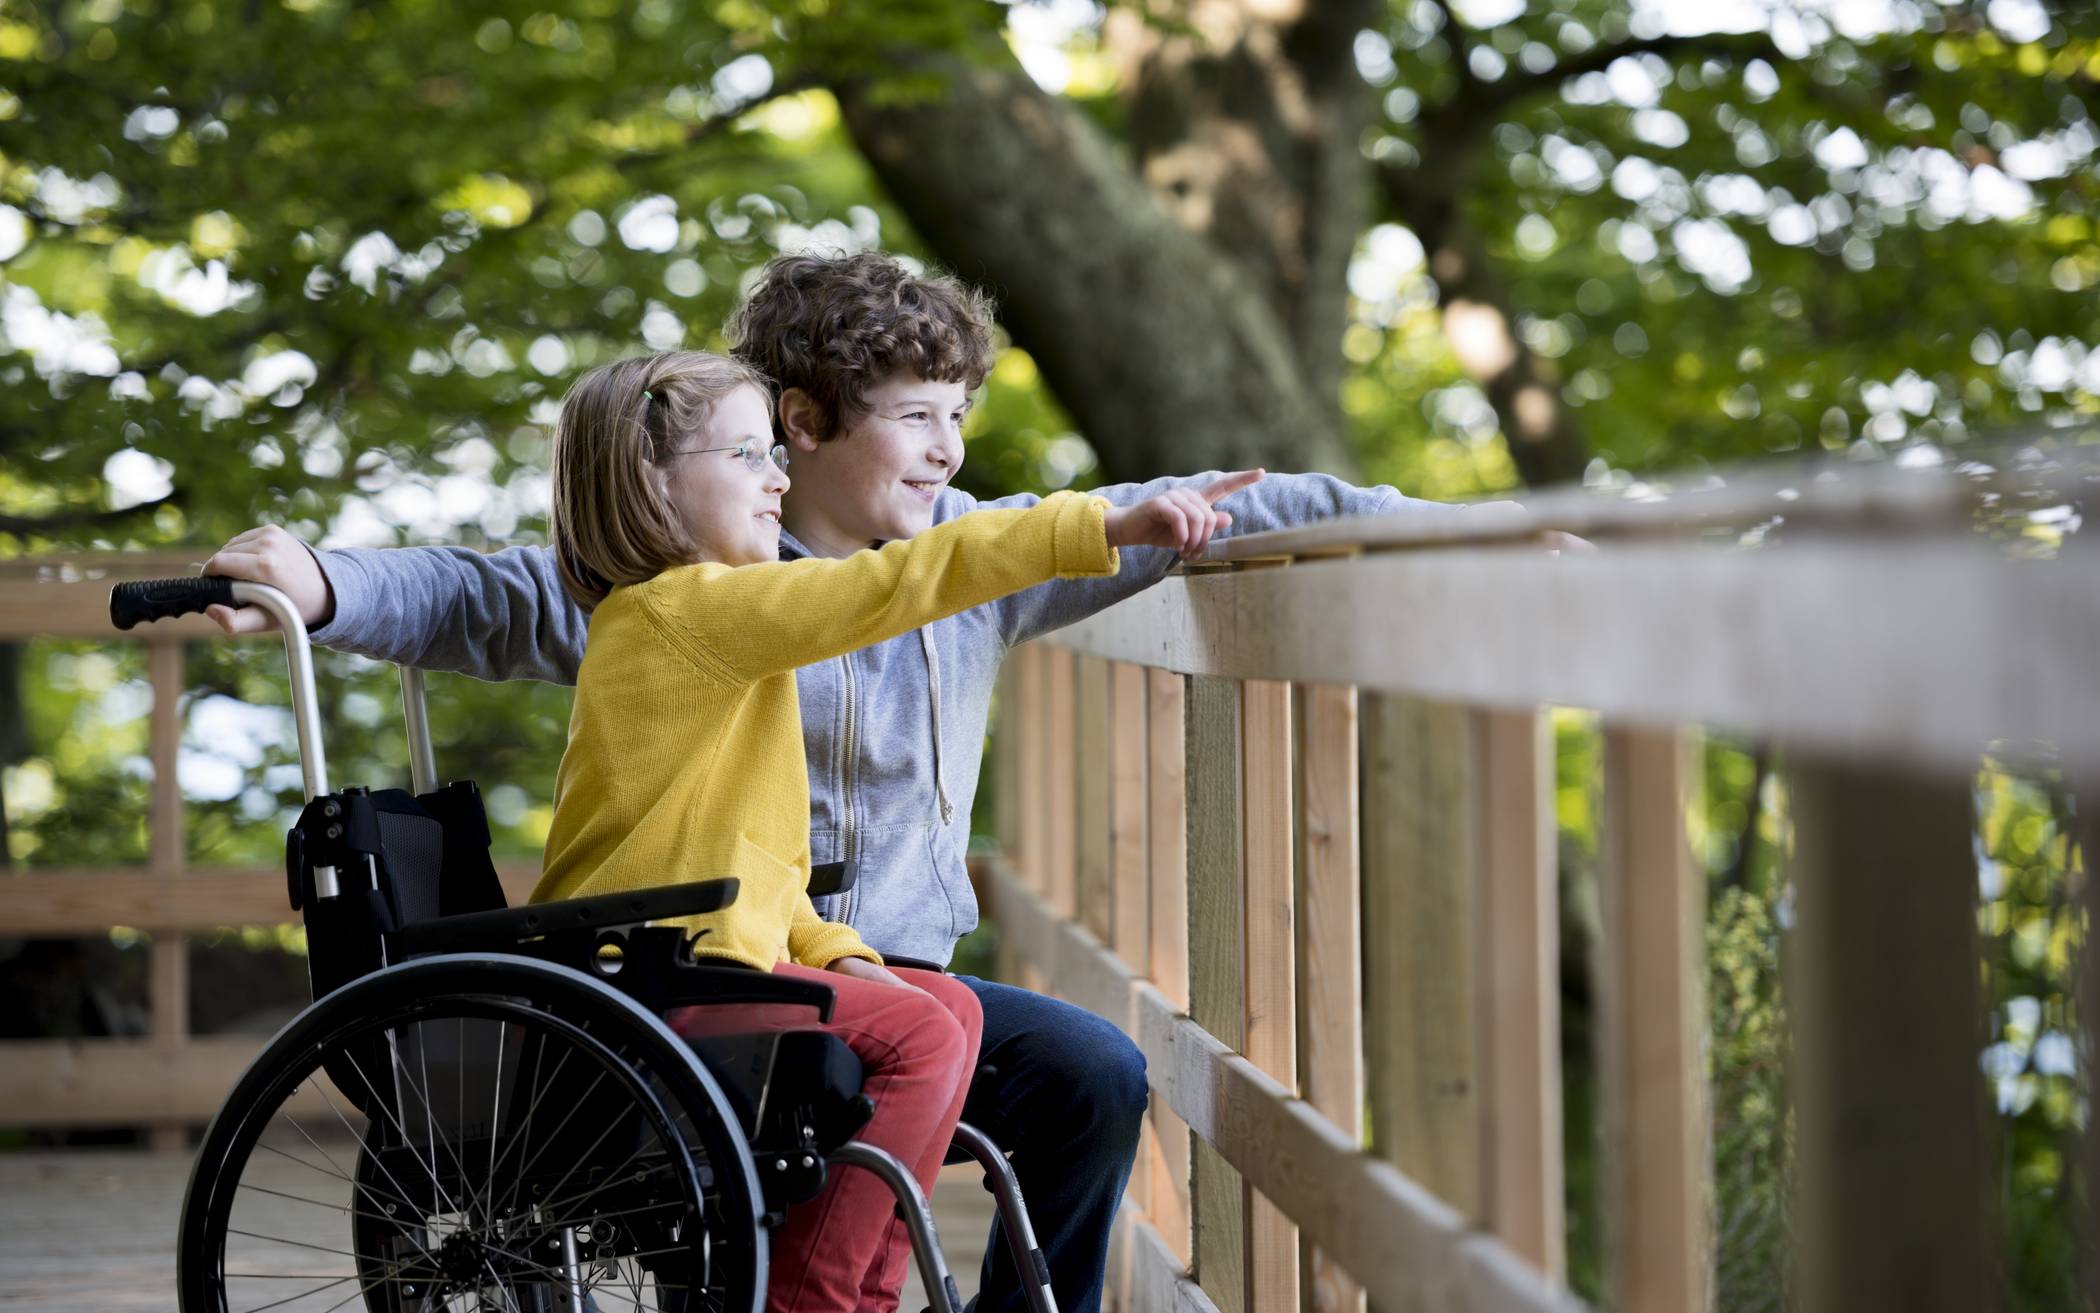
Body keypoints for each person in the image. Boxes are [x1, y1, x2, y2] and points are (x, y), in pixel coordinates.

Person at [203, 249, 1448, 1313]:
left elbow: (1221, 503)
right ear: (801, 425)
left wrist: (1433, 533)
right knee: (891, 1064)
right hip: (704, 978)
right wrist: (318, 580)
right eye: (918, 418)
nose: (950, 455)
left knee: (1093, 1072)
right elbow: (471, 592)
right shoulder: (675, 586)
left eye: (960, 419)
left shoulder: (968, 565)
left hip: (864, 962)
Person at [523, 346, 1255, 1313]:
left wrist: (842, 951)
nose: (777, 474)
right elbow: (895, 584)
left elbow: (760, 867)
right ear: (651, 480)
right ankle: (817, 1296)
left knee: (939, 1009)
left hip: (700, 959)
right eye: (746, 455)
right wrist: (1098, 525)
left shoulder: (718, 635)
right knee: (918, 1033)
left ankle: (861, 1285)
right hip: (645, 986)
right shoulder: (684, 612)